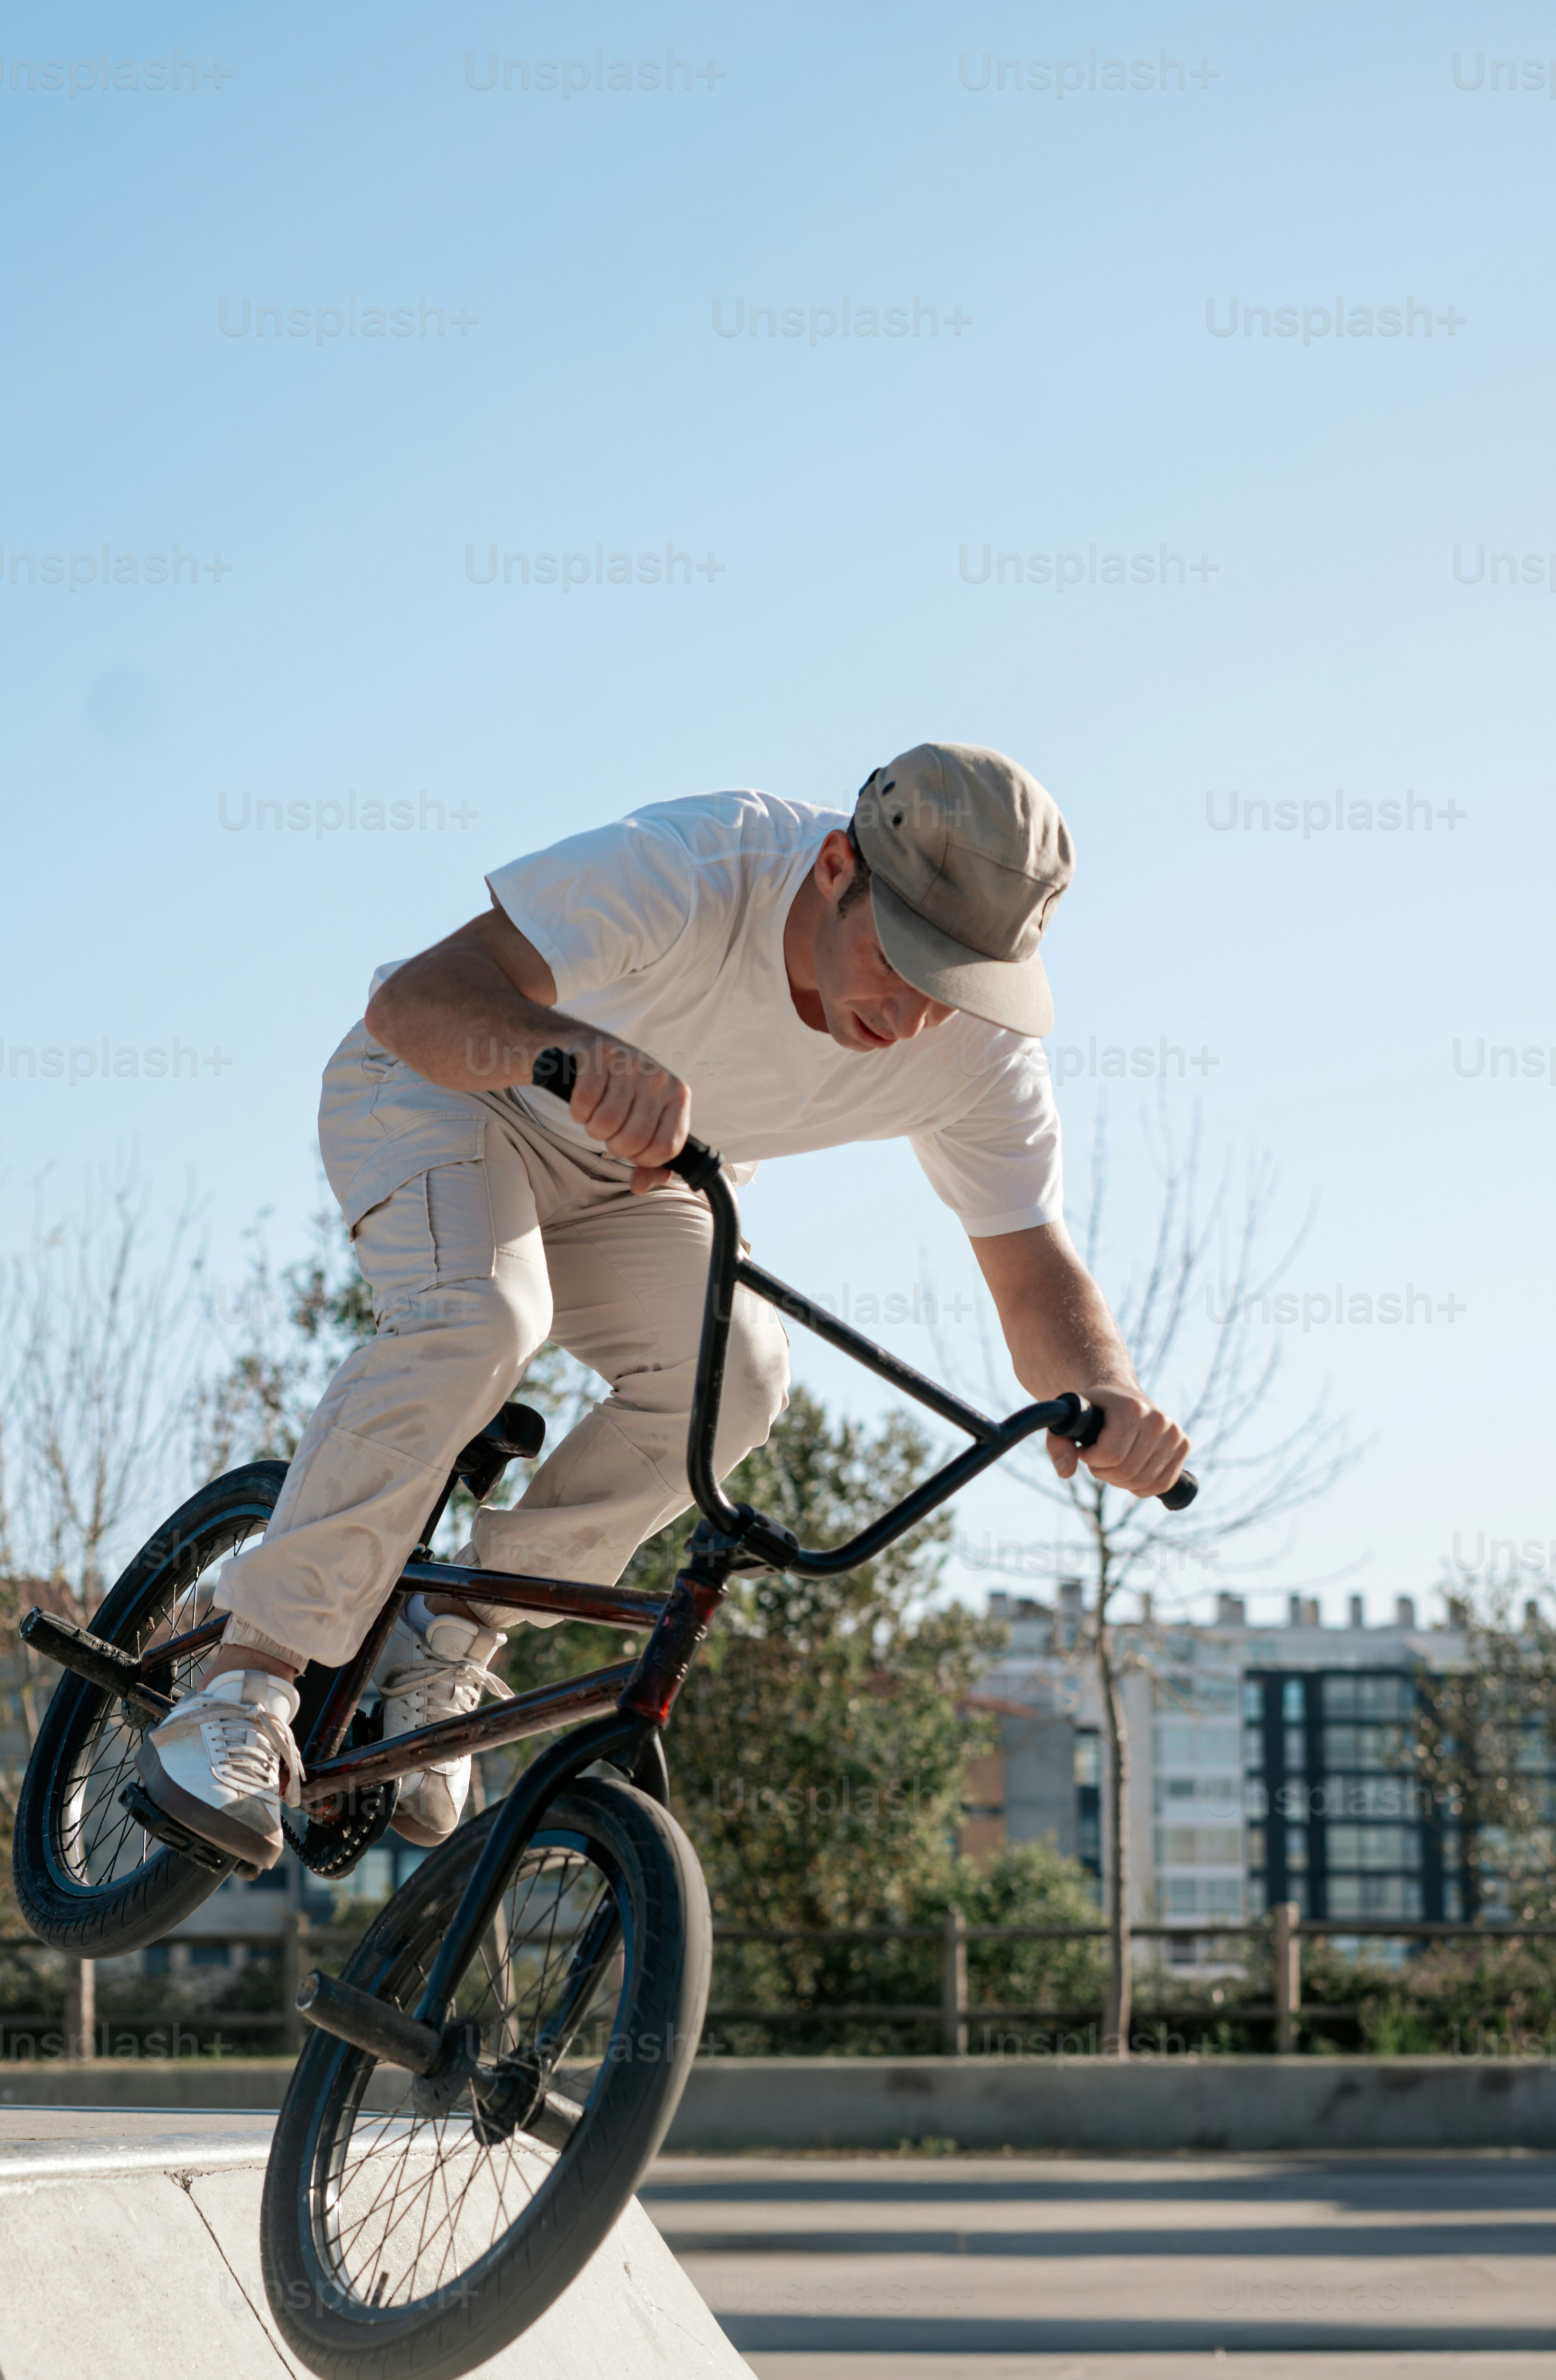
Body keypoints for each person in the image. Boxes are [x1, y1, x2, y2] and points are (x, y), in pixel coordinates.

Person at [138, 742, 1191, 1873]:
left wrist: (1110, 1393)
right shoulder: (695, 868)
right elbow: (411, 1005)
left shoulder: (978, 1055)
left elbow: (1032, 1273)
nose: (915, 1014)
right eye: (902, 959)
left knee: (738, 1381)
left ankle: (447, 1636)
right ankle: (245, 1681)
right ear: (836, 867)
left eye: (958, 987)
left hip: (637, 1184)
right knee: (482, 1318)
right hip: (444, 1096)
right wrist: (573, 1049)